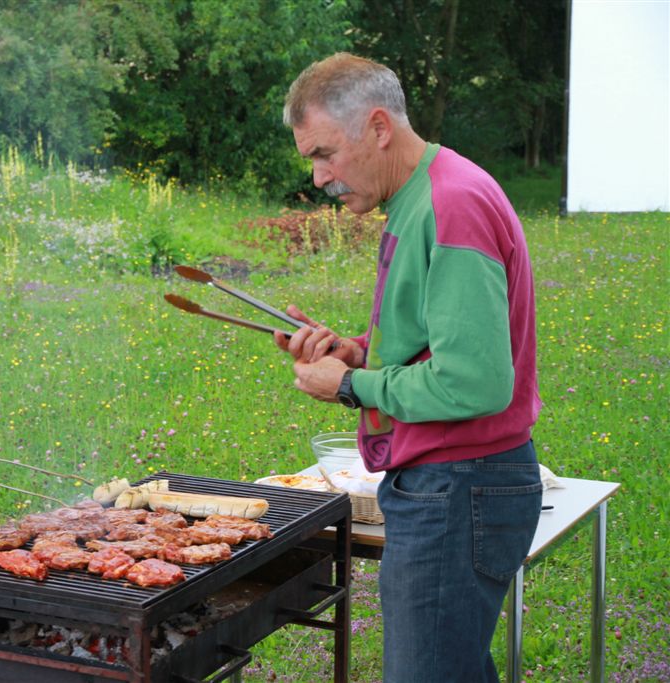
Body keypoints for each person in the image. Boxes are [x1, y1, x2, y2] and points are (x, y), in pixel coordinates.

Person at [276, 54, 543, 682]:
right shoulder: (424, 194)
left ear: (377, 127)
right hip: (456, 482)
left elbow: (475, 382)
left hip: (458, 485)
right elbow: (442, 341)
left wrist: (349, 386)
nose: (318, 177)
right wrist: (360, 351)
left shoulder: (452, 204)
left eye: (324, 154)